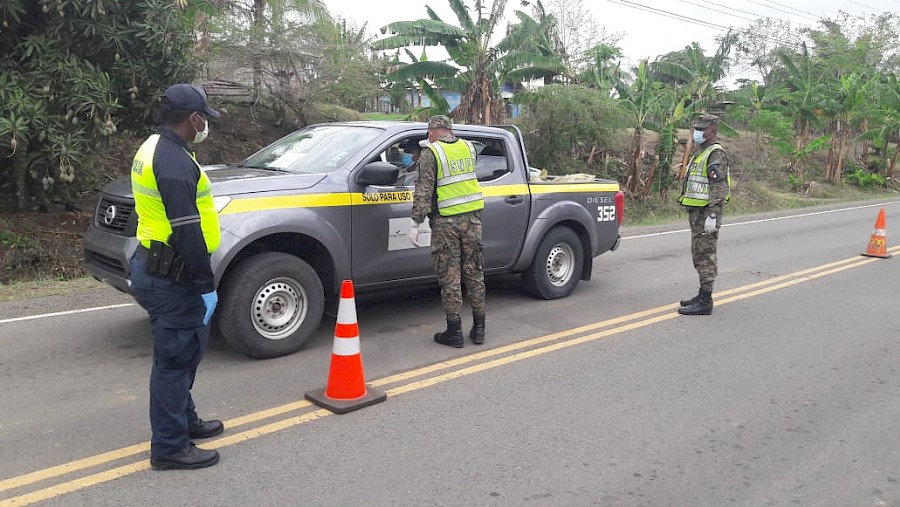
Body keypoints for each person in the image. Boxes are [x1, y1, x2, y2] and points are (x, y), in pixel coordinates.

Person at [128, 83, 224, 470]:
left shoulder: (154, 148)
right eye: (204, 118)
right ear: (194, 118)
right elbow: (187, 229)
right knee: (175, 359)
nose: (205, 125)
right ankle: (169, 447)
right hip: (174, 274)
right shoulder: (173, 162)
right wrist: (206, 284)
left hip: (157, 265)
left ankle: (184, 421)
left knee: (180, 354)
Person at [409, 115, 486, 347]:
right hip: (473, 219)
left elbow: (424, 189)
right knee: (475, 272)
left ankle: (454, 333)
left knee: (450, 275)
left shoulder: (431, 153)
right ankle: (480, 329)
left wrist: (415, 222)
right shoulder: (468, 147)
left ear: (433, 131)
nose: (427, 136)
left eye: (428, 132)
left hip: (447, 223)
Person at [677, 113, 730, 316]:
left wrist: (713, 215)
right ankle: (701, 295)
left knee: (705, 255)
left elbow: (718, 186)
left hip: (707, 213)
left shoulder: (715, 154)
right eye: (696, 129)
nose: (697, 132)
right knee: (698, 254)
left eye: (702, 129)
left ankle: (705, 300)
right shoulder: (702, 151)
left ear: (713, 131)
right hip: (697, 212)